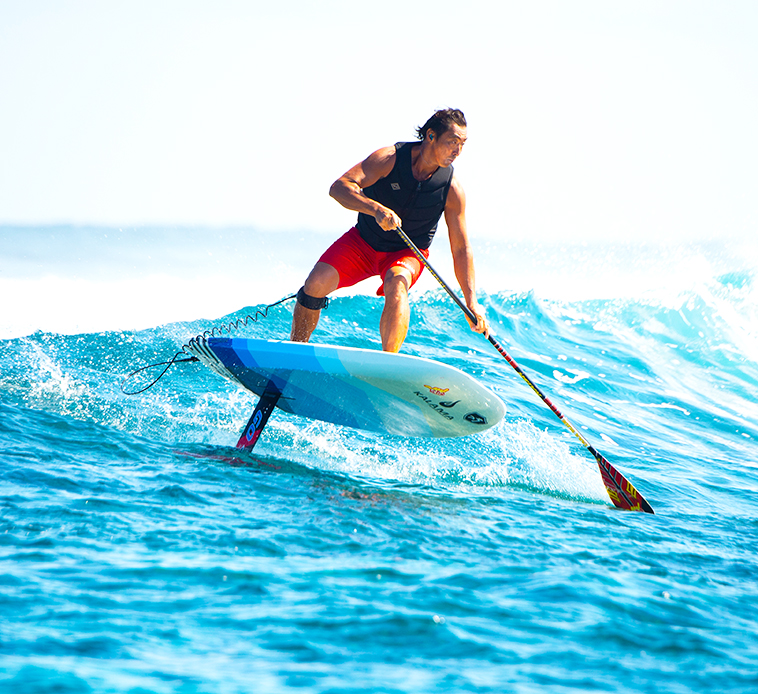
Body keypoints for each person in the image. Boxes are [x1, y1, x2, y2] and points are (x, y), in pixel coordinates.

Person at [290, 108, 489, 352]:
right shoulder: (389, 159)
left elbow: (461, 248)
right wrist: (375, 209)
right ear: (431, 136)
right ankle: (295, 354)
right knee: (315, 284)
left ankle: (388, 363)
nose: (457, 151)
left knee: (397, 282)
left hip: (406, 254)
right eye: (452, 142)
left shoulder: (452, 190)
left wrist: (471, 301)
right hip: (363, 242)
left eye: (462, 144)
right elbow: (339, 187)